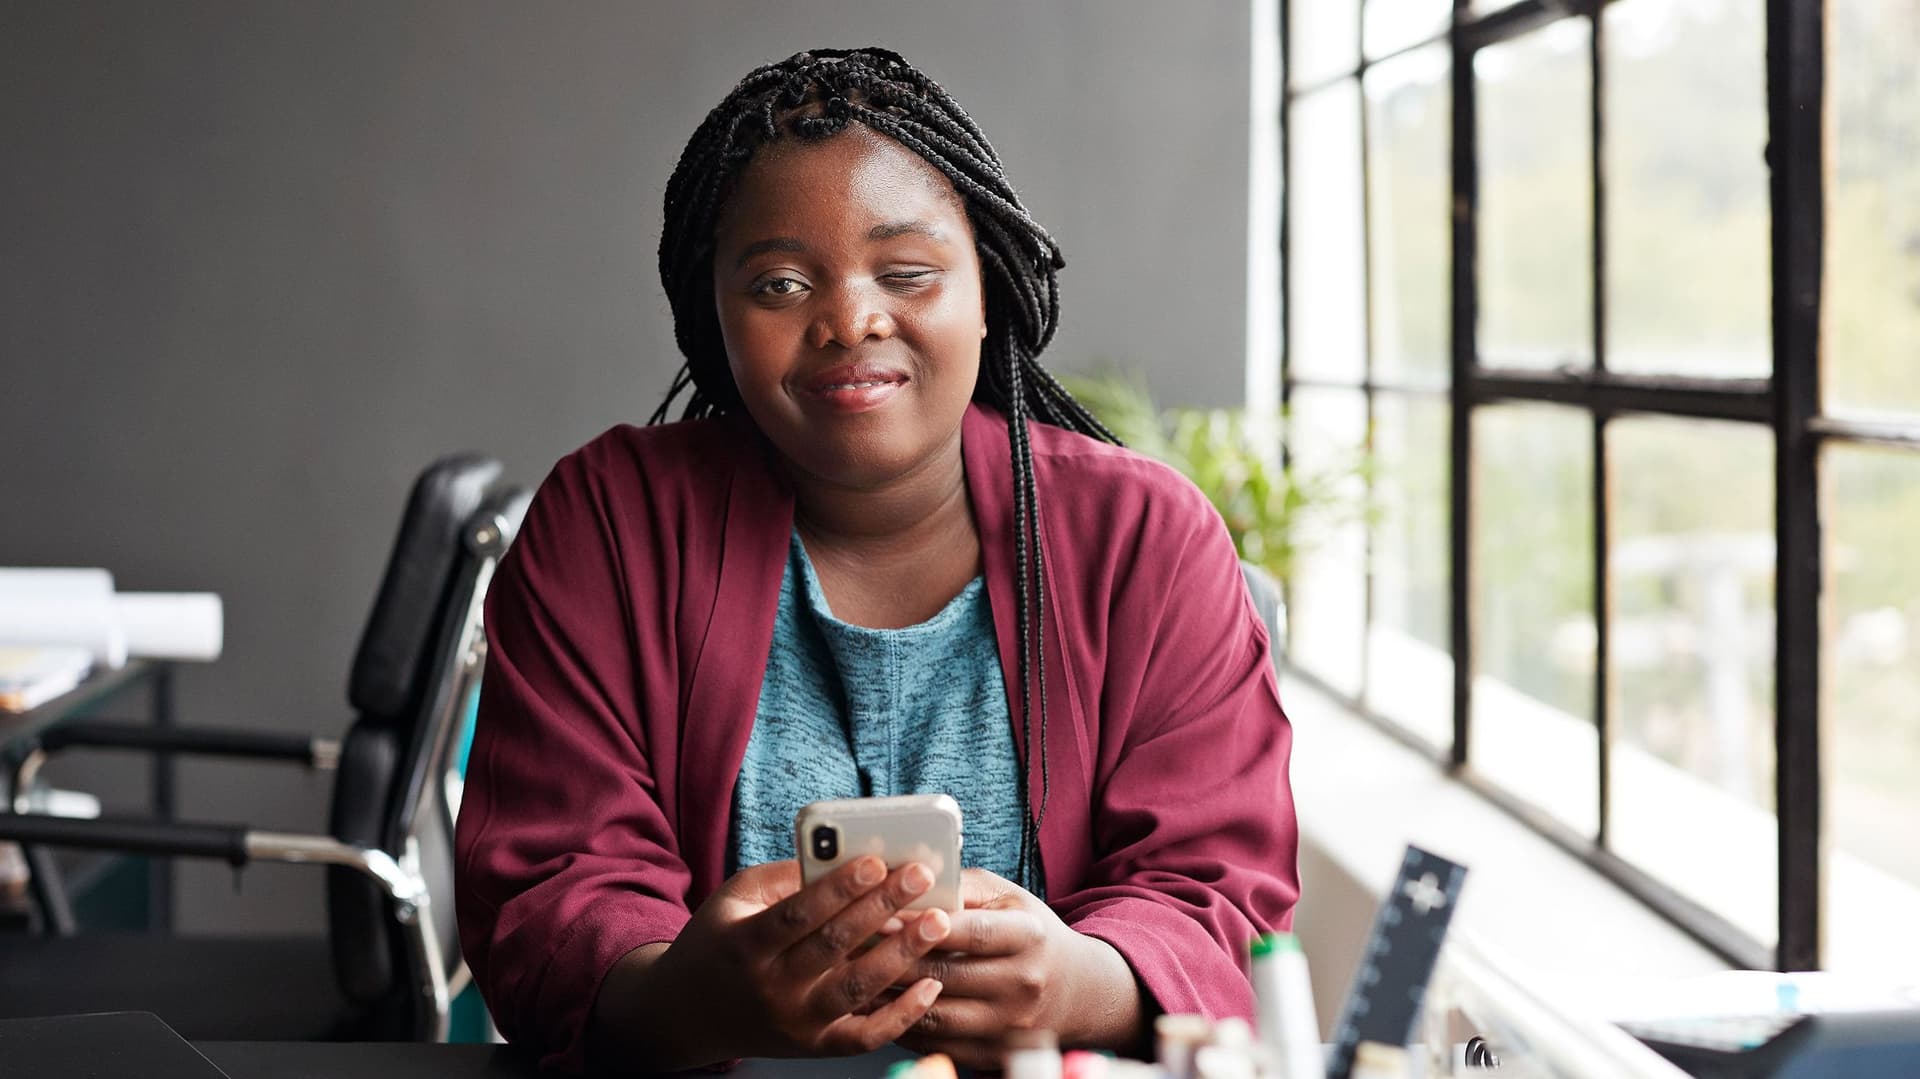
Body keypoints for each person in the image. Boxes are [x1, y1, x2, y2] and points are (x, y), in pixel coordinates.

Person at [454, 47, 1298, 1075]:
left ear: (987, 291)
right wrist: (683, 994)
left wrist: (1080, 979)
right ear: (711, 316)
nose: (850, 318)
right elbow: (549, 881)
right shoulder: (608, 524)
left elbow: (1215, 887)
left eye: (906, 272)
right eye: (778, 282)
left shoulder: (1147, 541)